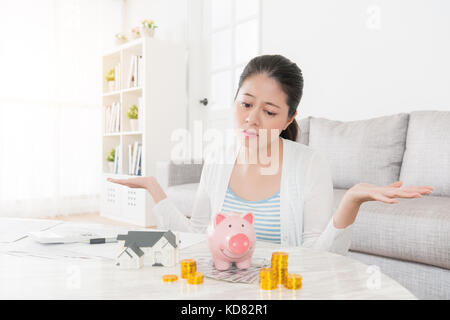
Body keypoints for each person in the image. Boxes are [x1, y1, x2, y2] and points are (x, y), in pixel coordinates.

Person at [107, 54, 433, 255]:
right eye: (246, 104)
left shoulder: (309, 164)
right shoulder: (219, 160)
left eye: (270, 111)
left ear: (289, 118)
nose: (251, 119)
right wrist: (155, 190)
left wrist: (350, 202)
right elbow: (198, 239)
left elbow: (317, 258)